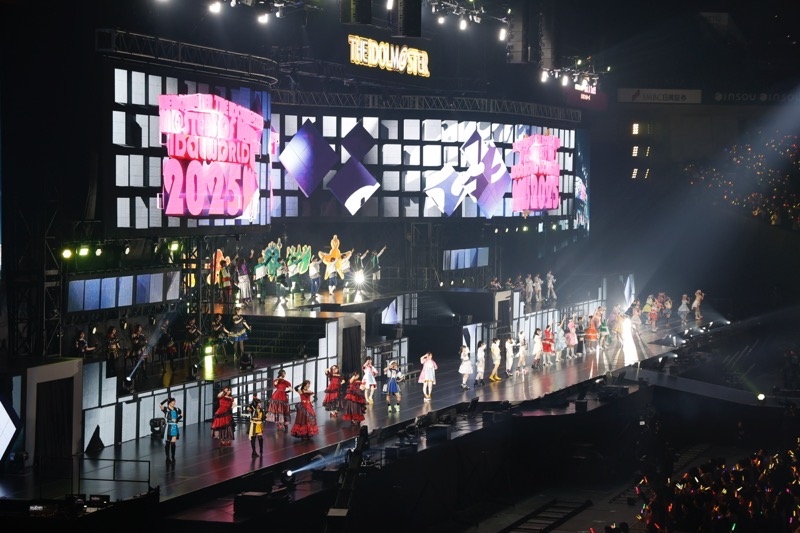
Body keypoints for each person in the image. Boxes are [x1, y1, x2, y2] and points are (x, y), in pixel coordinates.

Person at [160, 397, 182, 465]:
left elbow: (181, 414)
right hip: (168, 427)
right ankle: (167, 457)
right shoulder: (166, 409)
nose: (174, 403)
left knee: (173, 443)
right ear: (169, 402)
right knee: (167, 443)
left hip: (174, 426)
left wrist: (178, 418)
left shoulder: (176, 409)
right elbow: (160, 405)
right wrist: (166, 400)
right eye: (173, 402)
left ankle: (173, 457)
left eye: (174, 402)